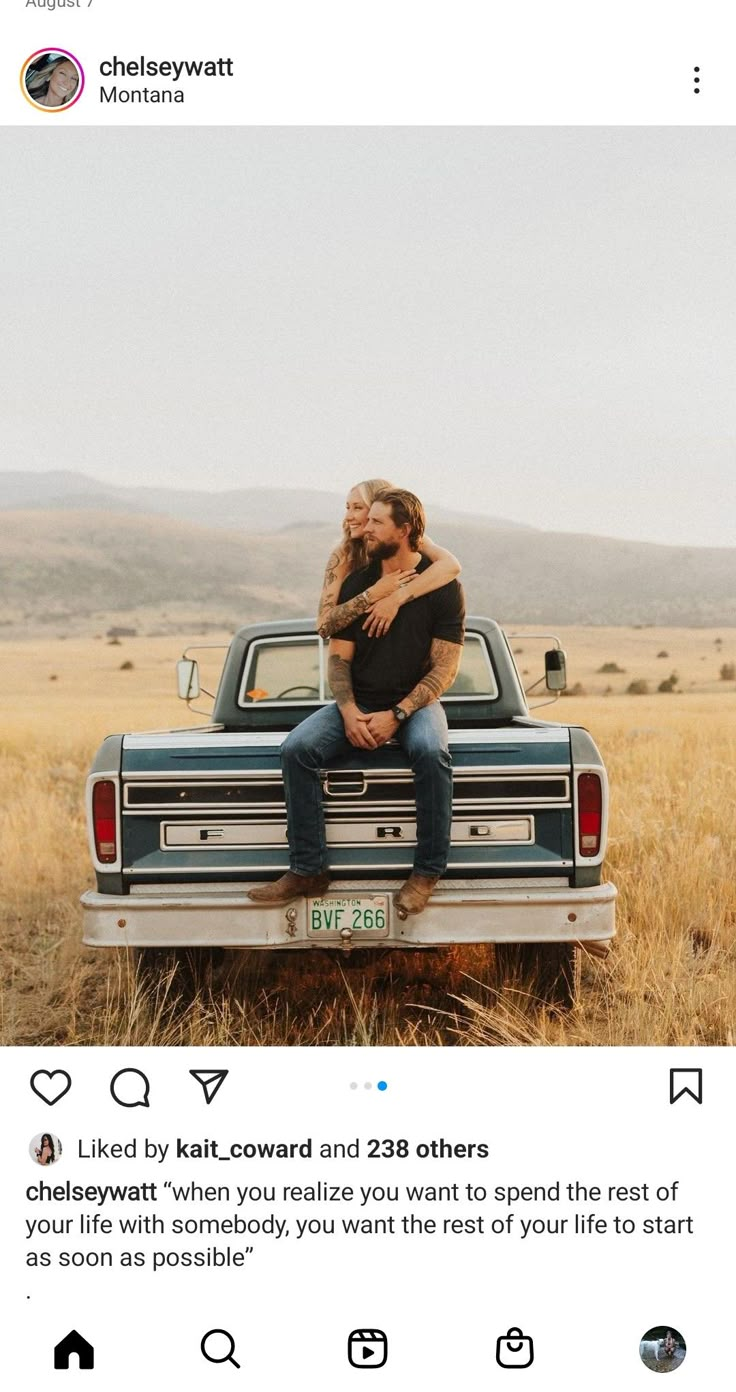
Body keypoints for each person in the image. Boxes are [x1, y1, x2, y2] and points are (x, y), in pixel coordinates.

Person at [250, 488, 465, 916]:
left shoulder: (444, 589)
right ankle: (308, 869)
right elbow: (338, 660)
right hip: (359, 699)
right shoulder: (358, 582)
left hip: (416, 704)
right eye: (365, 520)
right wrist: (348, 711)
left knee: (429, 750)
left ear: (404, 531)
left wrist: (398, 714)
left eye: (376, 522)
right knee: (297, 748)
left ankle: (425, 873)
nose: (363, 528)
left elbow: (444, 671)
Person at [317, 477, 461, 640]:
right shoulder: (344, 554)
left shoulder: (406, 537)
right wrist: (374, 593)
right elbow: (323, 626)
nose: (348, 516)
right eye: (348, 508)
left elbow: (451, 565)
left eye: (357, 508)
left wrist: (396, 599)